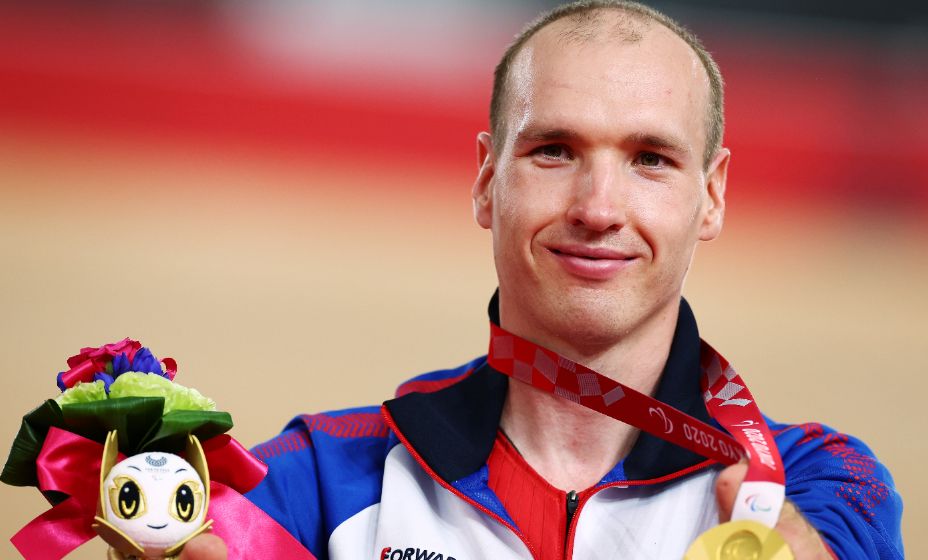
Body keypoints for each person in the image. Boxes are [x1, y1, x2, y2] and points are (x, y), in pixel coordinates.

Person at [180, 1, 903, 559]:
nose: (597, 209)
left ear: (711, 196)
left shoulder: (818, 485)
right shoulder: (319, 480)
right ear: (487, 180)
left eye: (650, 159)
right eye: (555, 150)